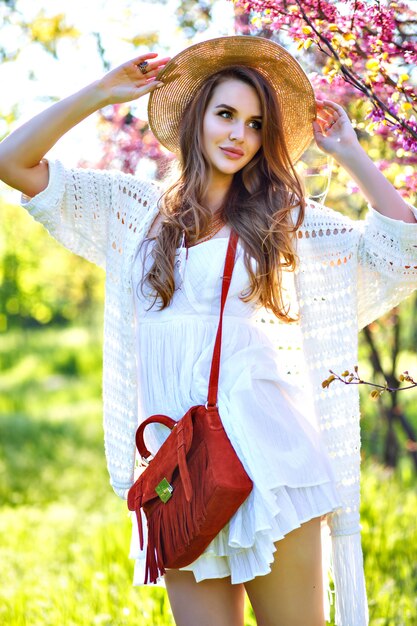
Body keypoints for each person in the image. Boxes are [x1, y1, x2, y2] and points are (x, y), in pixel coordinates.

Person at [0, 34, 416, 626]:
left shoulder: (282, 221)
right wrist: (100, 93)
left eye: (253, 124)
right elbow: (12, 161)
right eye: (226, 114)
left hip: (274, 465)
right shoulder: (133, 210)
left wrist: (350, 154)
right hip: (183, 475)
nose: (238, 135)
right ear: (198, 118)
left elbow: (403, 251)